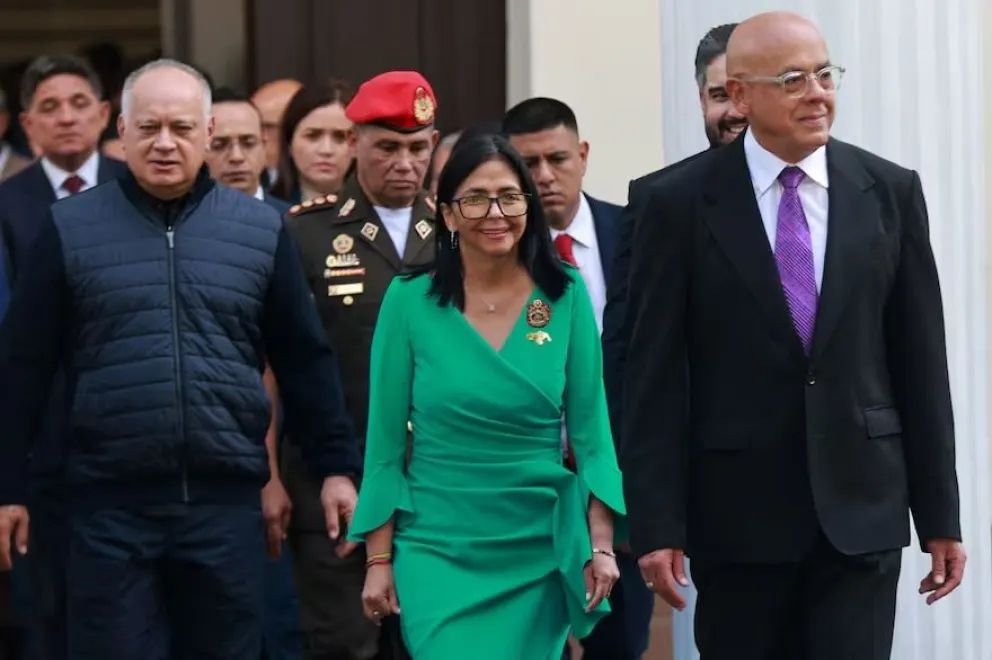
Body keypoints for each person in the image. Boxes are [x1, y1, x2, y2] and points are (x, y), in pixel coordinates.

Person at [621, 12, 966, 660]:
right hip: (736, 519)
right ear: (741, 94)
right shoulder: (675, 203)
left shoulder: (888, 191)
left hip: (862, 512)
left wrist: (941, 517)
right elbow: (654, 376)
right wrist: (657, 523)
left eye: (824, 74)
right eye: (793, 79)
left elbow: (920, 365)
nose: (818, 93)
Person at [0, 58, 362, 659]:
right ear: (121, 129)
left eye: (181, 127)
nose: (165, 143)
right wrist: (8, 485)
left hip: (224, 509)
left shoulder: (258, 230)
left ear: (208, 132)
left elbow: (304, 359)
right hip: (108, 510)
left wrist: (335, 466)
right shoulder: (70, 228)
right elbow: (23, 367)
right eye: (148, 128)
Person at [348, 131, 625, 658]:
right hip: (438, 546)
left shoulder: (564, 295)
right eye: (475, 198)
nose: (495, 212)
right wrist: (378, 560)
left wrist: (601, 545)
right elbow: (383, 449)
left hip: (537, 544)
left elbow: (593, 439)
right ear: (447, 214)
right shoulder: (409, 301)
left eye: (510, 196)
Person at [282, 69, 438, 660]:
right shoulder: (304, 233)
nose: (404, 162)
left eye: (417, 147)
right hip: (337, 481)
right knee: (346, 644)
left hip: (434, 485)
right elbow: (291, 366)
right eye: (387, 147)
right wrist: (317, 472)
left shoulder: (455, 233)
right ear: (354, 144)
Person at [502, 97, 651, 660]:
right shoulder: (493, 254)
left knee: (621, 643)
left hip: (620, 487)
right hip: (525, 489)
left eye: (557, 159)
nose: (544, 176)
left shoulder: (634, 232)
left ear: (583, 156)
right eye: (528, 164)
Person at [0, 52, 128, 660]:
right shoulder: (7, 203)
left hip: (129, 431)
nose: (67, 118)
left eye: (80, 104)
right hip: (42, 440)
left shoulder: (137, 190)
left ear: (105, 114)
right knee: (49, 614)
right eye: (49, 108)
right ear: (27, 125)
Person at [203, 86, 301, 660]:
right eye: (222, 144)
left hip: (296, 454)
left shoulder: (296, 227)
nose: (237, 156)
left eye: (250, 141)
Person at [269, 80, 353, 203]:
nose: (326, 150)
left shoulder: (379, 214)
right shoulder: (266, 213)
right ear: (289, 142)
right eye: (312, 136)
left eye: (340, 137)